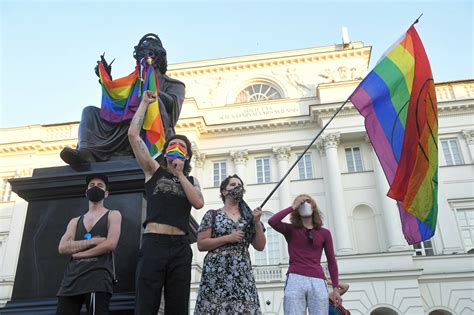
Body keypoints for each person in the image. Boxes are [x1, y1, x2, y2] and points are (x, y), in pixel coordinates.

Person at [128, 90, 204, 314]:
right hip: (154, 242)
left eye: (182, 146)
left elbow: (198, 203)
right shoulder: (154, 171)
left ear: (187, 155)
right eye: (173, 144)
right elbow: (133, 136)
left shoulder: (191, 180)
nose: (177, 148)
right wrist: (143, 104)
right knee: (146, 302)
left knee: (178, 305)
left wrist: (180, 175)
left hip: (180, 247)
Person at [60, 33, 185, 165]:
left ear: (157, 57)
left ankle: (153, 153)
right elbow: (119, 99)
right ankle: (86, 153)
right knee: (89, 111)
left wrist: (150, 89)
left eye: (147, 54)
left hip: (149, 124)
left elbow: (174, 107)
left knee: (154, 102)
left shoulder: (174, 84)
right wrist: (106, 79)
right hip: (126, 121)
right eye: (140, 56)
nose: (143, 59)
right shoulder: (135, 81)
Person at [194, 174, 266, 314]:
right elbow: (201, 244)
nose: (237, 187)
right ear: (224, 191)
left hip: (242, 274)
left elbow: (260, 246)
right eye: (233, 185)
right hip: (215, 274)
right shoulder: (212, 215)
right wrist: (228, 238)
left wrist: (256, 222)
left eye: (239, 185)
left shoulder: (249, 217)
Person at [56, 173, 122, 315]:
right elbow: (62, 247)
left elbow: (110, 244)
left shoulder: (113, 214)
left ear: (106, 193)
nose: (95, 188)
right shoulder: (75, 221)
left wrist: (79, 253)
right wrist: (94, 241)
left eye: (100, 186)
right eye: (92, 185)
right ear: (86, 192)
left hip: (97, 280)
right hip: (71, 281)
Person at [268, 194, 341, 315]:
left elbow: (331, 261)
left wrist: (336, 288)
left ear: (314, 207)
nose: (304, 204)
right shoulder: (290, 230)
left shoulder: (324, 233)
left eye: (307, 201)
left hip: (317, 279)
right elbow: (272, 221)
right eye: (301, 203)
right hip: (295, 278)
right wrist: (292, 206)